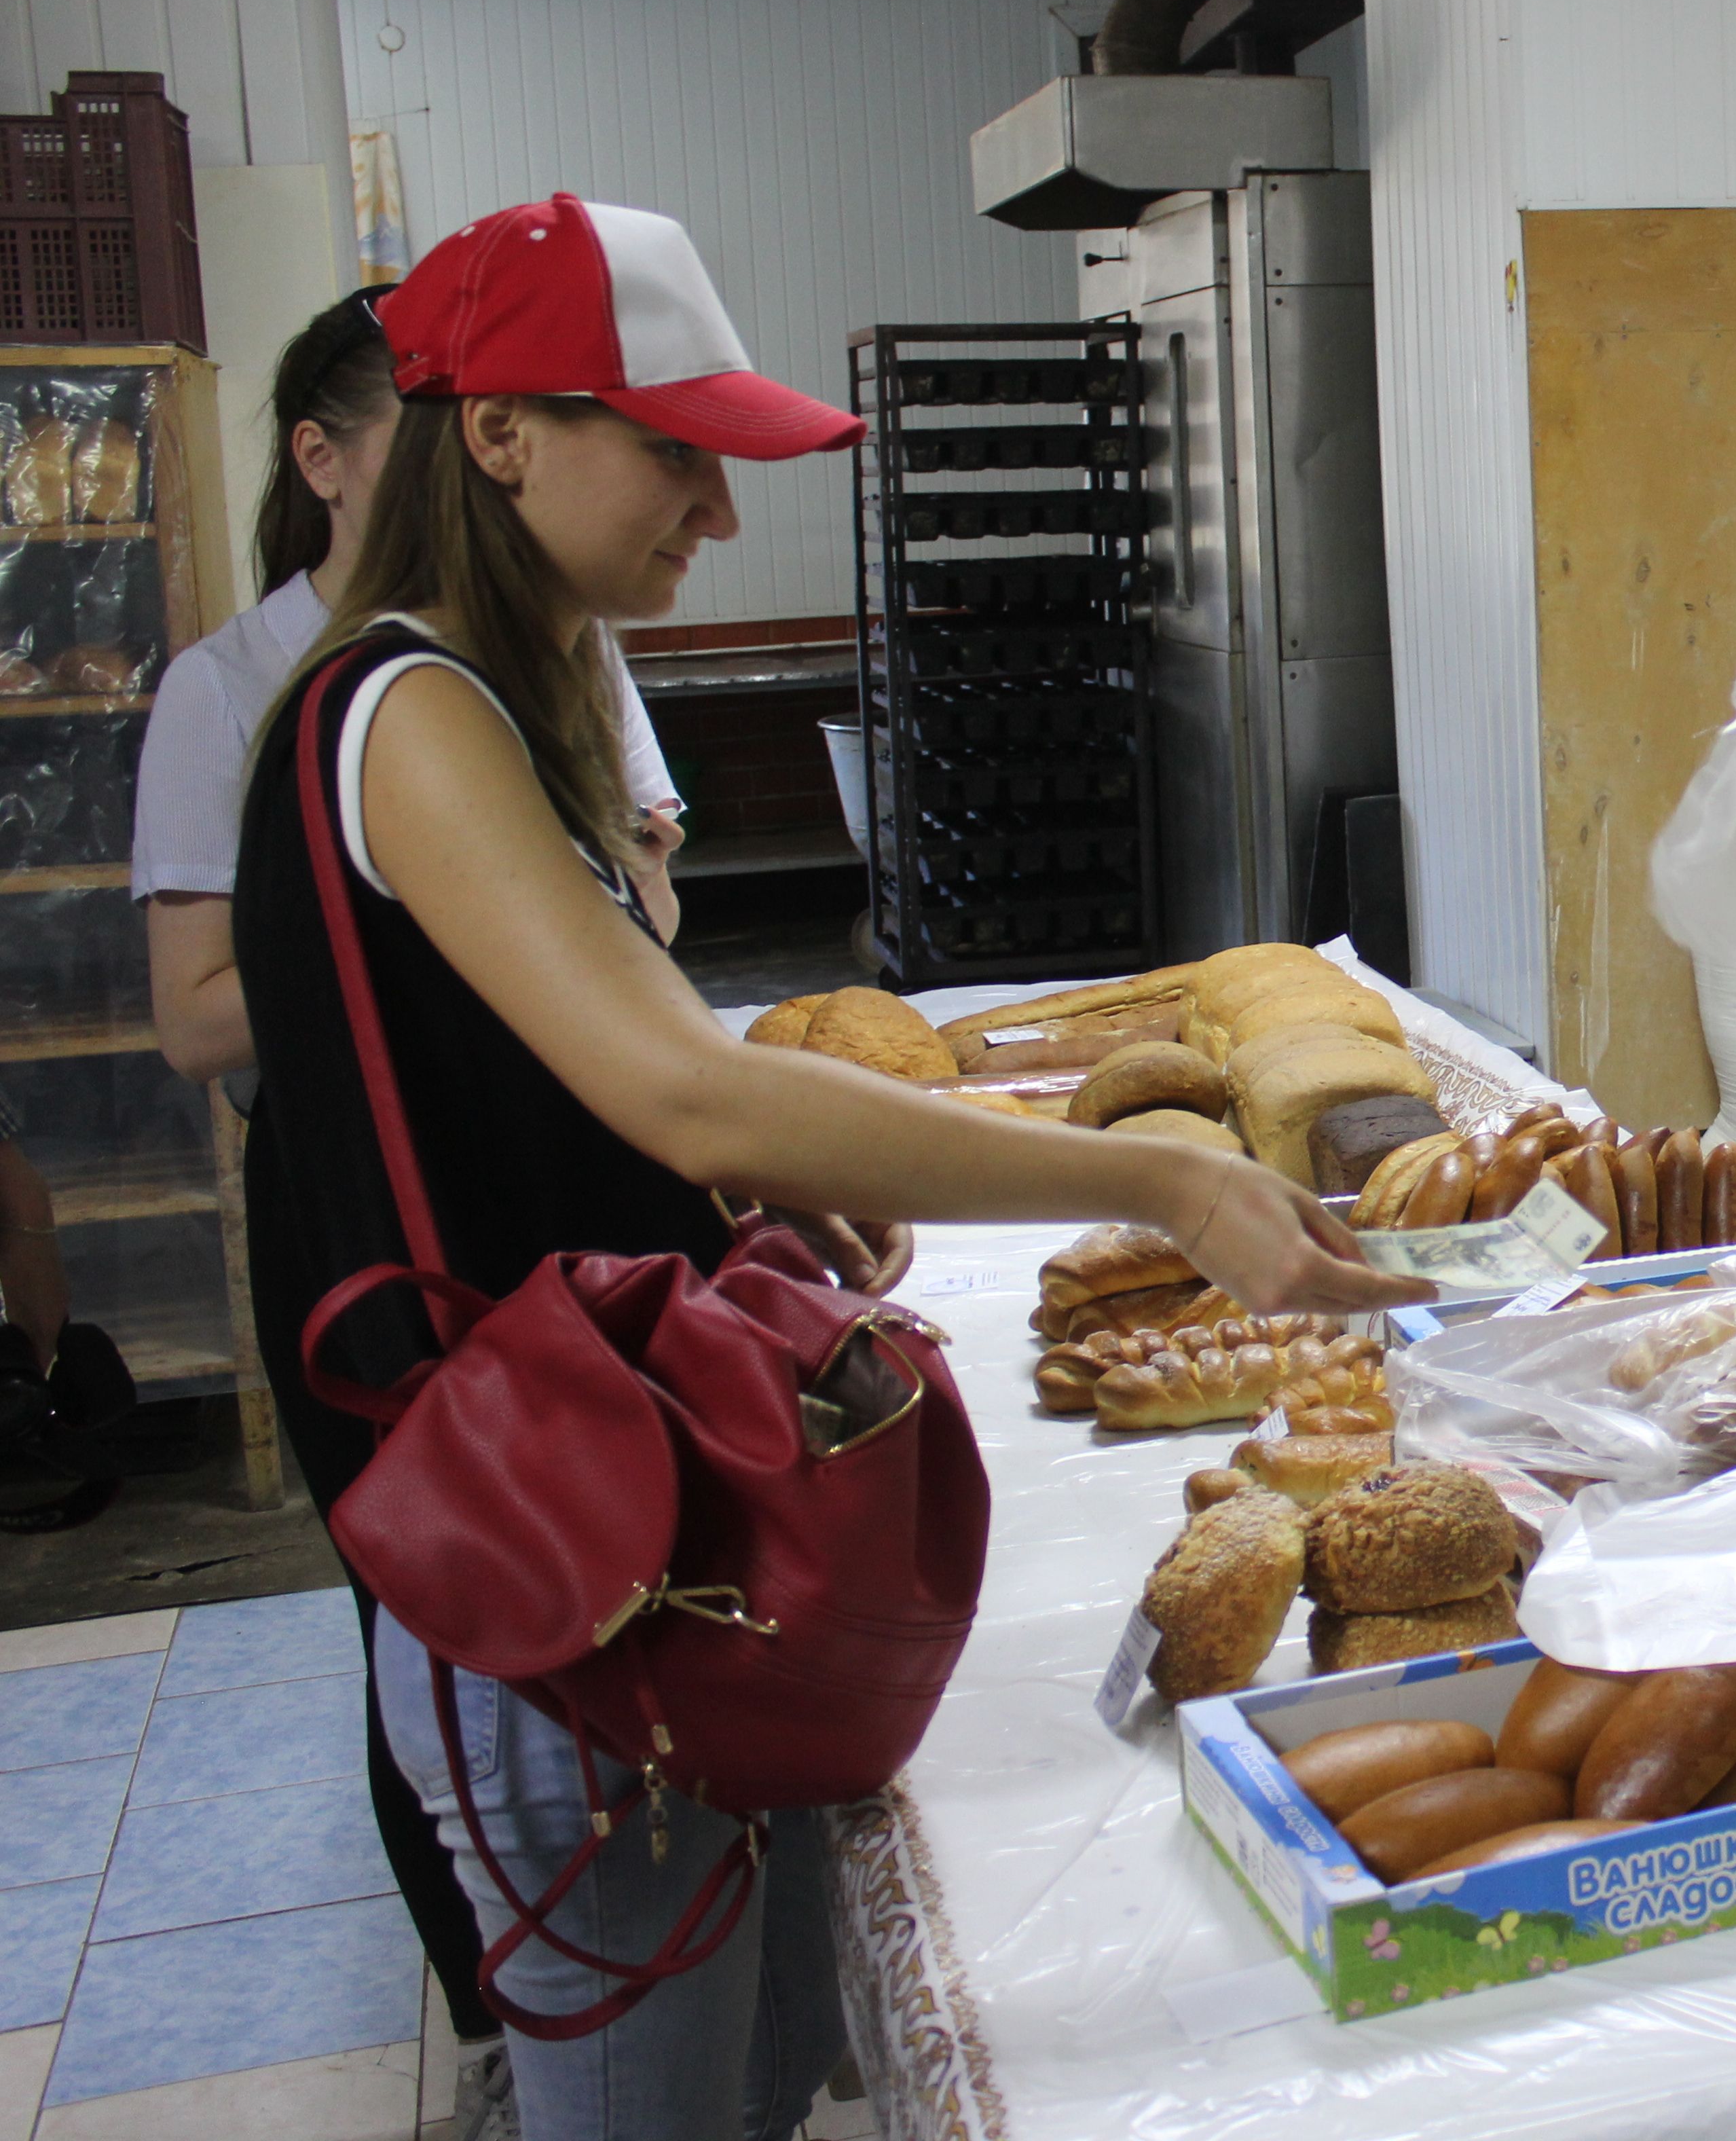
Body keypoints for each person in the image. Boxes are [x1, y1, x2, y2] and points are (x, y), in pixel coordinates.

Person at [228, 194, 1428, 2141]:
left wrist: (759, 1200)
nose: (714, 508)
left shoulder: (502, 708)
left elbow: (584, 1104)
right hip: (549, 1572)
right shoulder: (410, 711)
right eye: (672, 448)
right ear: (502, 435)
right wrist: (1165, 1189)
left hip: (633, 1537)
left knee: (756, 2071)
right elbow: (686, 1093)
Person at [128, 287, 695, 2112]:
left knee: (626, 1649)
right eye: (668, 455)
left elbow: (645, 922)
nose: (705, 510)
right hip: (405, 1232)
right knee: (471, 1623)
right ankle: (504, 2023)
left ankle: (592, 2011)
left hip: (566, 1223)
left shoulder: (534, 657)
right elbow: (211, 1015)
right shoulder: (333, 698)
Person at [137, 288, 686, 1088]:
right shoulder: (228, 685)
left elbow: (653, 920)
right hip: (369, 1152)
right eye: (429, 449)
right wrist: (450, 910)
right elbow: (195, 1028)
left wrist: (635, 873)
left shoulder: (569, 642)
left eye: (490, 443)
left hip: (568, 1107)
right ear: (321, 460)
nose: (473, 482)